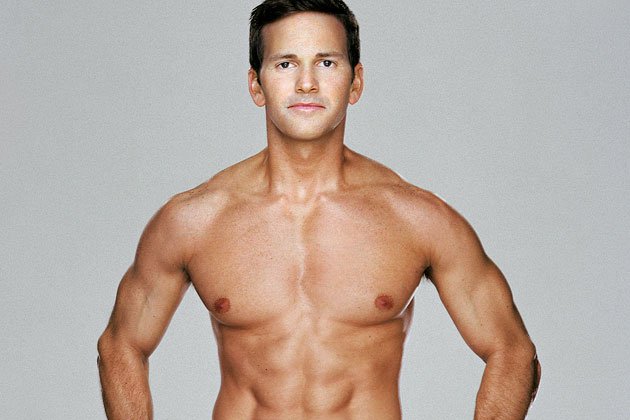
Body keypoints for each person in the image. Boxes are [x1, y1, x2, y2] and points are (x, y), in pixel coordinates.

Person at [97, 0, 541, 418]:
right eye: (285, 64)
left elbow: (513, 350)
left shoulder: (416, 219)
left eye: (326, 63)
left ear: (356, 82)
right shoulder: (194, 220)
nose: (306, 83)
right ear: (256, 85)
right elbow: (120, 345)